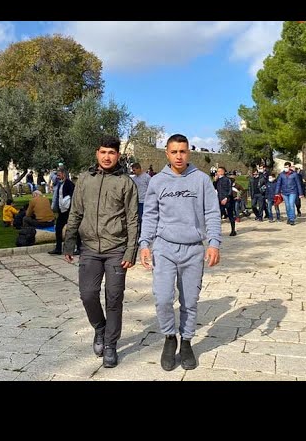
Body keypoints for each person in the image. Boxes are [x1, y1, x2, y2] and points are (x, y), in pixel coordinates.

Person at [139, 134, 221, 371]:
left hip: (193, 249)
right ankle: (169, 337)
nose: (178, 156)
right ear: (167, 153)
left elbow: (212, 214)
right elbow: (151, 215)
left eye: (182, 151)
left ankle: (186, 341)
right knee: (163, 298)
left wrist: (214, 242)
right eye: (174, 152)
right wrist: (145, 244)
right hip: (164, 247)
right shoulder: (157, 182)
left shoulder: (202, 180)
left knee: (190, 301)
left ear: (188, 153)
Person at [63, 135, 139, 368]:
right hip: (89, 250)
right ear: (97, 153)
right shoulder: (85, 179)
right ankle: (100, 328)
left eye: (112, 153)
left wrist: (130, 251)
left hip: (116, 249)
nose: (107, 157)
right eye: (103, 152)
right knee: (88, 295)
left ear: (118, 156)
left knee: (114, 298)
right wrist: (69, 241)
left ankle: (110, 345)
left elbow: (133, 219)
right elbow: (75, 212)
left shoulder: (126, 183)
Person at [48, 167, 80, 255]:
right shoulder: (60, 184)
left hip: (69, 211)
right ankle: (58, 248)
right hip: (62, 211)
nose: (57, 177)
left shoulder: (69, 184)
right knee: (58, 228)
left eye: (59, 175)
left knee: (73, 229)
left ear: (63, 174)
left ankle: (79, 247)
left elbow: (73, 196)